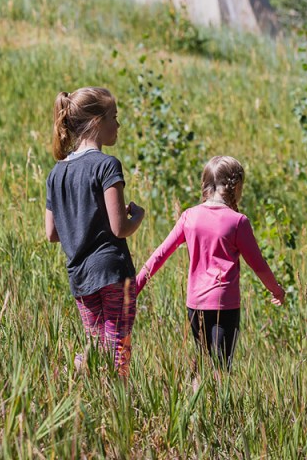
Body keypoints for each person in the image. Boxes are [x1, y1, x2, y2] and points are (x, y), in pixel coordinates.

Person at [135, 156, 284, 373]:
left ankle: (198, 401)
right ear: (237, 186)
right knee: (221, 368)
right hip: (225, 305)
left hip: (195, 305)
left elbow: (159, 255)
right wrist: (276, 290)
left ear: (205, 185)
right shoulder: (238, 221)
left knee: (203, 362)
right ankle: (217, 405)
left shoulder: (189, 217)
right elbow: (258, 265)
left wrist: (134, 288)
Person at [45, 87, 145, 378]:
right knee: (117, 347)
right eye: (114, 117)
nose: (118, 124)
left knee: (96, 342)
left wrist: (81, 220)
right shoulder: (106, 165)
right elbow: (119, 228)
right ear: (97, 122)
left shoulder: (57, 172)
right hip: (113, 271)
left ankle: (78, 376)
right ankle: (118, 403)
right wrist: (137, 216)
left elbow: (52, 232)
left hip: (80, 275)